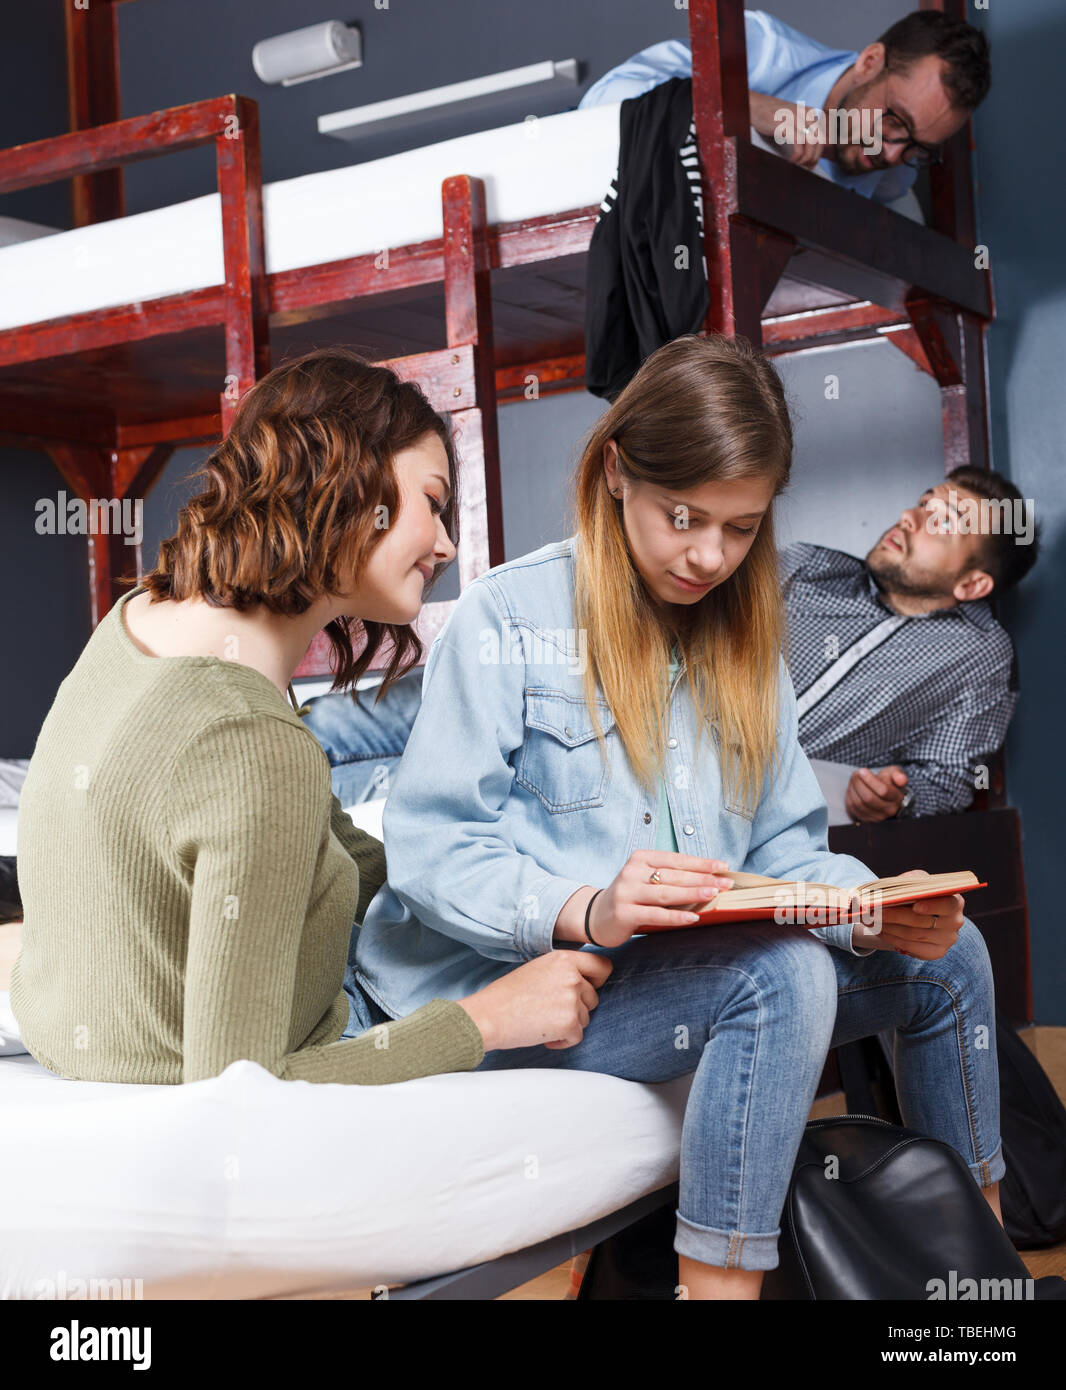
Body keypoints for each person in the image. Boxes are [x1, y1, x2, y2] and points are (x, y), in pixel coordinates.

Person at [351, 332, 1005, 1300]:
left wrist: (869, 907)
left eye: (740, 529)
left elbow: (786, 851)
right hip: (525, 981)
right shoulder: (510, 617)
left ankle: (975, 1286)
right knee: (778, 978)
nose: (708, 555)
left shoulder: (748, 640)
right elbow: (433, 850)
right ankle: (717, 1291)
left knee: (951, 957)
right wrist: (586, 908)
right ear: (617, 472)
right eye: (684, 517)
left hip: (682, 975)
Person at [9, 347, 610, 1086]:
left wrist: (508, 897)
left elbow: (336, 849)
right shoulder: (252, 742)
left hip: (74, 1043)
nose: (449, 545)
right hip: (195, 1070)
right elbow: (239, 1087)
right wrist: (485, 1019)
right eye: (433, 501)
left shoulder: (138, 623)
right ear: (349, 483)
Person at [782, 468, 1038, 823]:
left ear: (971, 585)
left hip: (784, 832)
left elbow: (946, 779)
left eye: (944, 522)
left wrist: (897, 798)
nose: (910, 518)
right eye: (923, 504)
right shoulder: (806, 567)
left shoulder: (979, 655)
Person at [578, 8, 991, 205]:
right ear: (869, 63)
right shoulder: (760, 48)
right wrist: (749, 109)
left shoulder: (894, 176)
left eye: (919, 147)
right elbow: (602, 106)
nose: (894, 153)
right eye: (895, 120)